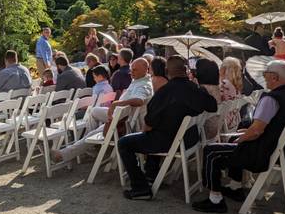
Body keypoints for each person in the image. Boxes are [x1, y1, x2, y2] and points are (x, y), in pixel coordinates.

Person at [192, 60, 285, 213]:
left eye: (266, 74)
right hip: (280, 148)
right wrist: (243, 134)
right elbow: (267, 127)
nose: (264, 77)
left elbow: (257, 131)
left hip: (261, 153)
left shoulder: (271, 99)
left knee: (210, 150)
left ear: (275, 77)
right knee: (232, 139)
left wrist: (242, 138)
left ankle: (215, 199)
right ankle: (236, 187)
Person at [118, 55, 217, 200]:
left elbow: (149, 123)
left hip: (170, 142)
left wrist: (144, 132)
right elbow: (212, 106)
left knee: (125, 143)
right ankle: (151, 175)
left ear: (166, 71)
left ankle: (140, 189)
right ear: (185, 70)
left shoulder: (165, 92)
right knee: (152, 135)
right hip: (190, 139)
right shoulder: (196, 88)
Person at [52, 58, 154, 164]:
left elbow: (139, 100)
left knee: (92, 130)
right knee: (93, 112)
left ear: (145, 70)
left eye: (135, 70)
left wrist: (116, 103)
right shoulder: (140, 80)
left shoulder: (144, 85)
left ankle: (66, 153)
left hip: (123, 121)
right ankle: (89, 146)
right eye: (131, 69)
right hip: (120, 116)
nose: (131, 72)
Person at [194, 59, 225, 140]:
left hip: (205, 131)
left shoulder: (203, 89)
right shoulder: (216, 88)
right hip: (216, 128)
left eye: (197, 69)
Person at [218, 56, 244, 132]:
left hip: (224, 124)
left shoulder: (224, 85)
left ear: (224, 69)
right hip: (234, 122)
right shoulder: (236, 86)